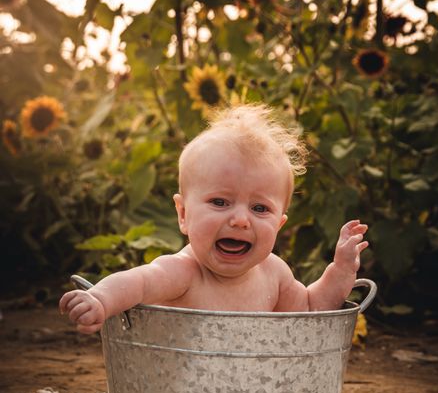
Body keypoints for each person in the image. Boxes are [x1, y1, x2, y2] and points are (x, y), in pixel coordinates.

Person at [60, 104, 368, 333]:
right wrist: (100, 299)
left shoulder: (273, 274)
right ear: (183, 214)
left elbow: (312, 310)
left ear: (279, 225)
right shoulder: (183, 272)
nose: (240, 220)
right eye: (220, 202)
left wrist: (340, 271)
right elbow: (136, 282)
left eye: (260, 209)